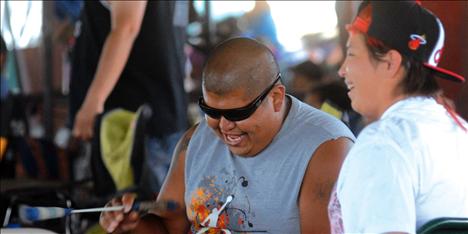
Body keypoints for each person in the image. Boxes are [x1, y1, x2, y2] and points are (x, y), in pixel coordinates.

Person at [99, 37, 355, 233]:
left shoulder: (325, 147)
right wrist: (129, 225)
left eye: (238, 112)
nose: (224, 126)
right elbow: (168, 227)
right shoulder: (196, 140)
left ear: (275, 97)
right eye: (210, 111)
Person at [329, 1, 468, 233]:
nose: (342, 70)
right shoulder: (460, 130)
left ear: (390, 63)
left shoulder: (383, 144)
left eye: (351, 53)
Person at [69, 1, 189, 195]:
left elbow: (126, 29)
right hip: (147, 119)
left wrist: (93, 102)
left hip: (134, 127)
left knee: (142, 216)